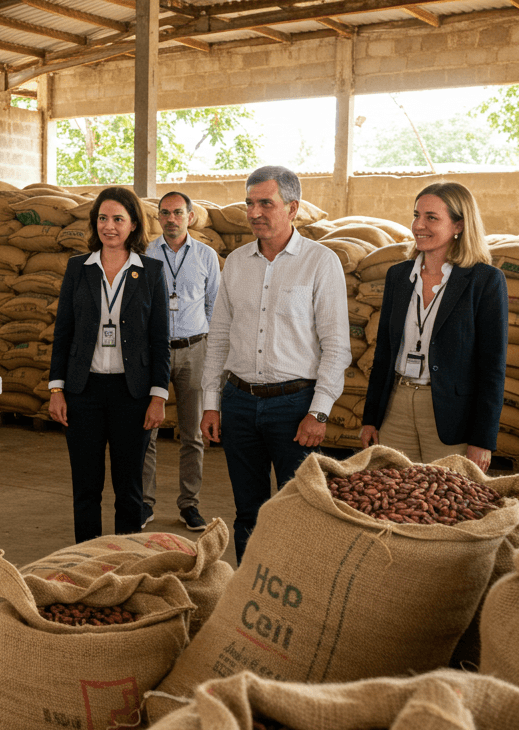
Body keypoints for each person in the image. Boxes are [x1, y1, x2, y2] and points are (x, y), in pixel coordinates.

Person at [200, 166, 350, 563]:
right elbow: (218, 339)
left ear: (293, 208)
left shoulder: (321, 262)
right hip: (239, 402)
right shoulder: (235, 263)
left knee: (297, 511)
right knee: (248, 511)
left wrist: (318, 412)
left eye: (266, 203)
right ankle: (247, 592)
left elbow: (336, 346)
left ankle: (289, 596)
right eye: (249, 203)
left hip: (294, 407)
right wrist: (211, 403)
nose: (254, 213)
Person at [48, 186, 170, 543]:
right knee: (86, 488)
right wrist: (57, 389)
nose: (109, 226)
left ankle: (125, 564)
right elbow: (63, 333)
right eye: (103, 218)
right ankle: (85, 562)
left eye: (118, 218)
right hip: (82, 392)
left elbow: (159, 340)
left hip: (131, 394)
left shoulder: (150, 271)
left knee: (129, 489)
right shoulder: (78, 269)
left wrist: (158, 397)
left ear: (133, 224)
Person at [359, 182, 508, 471]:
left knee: (445, 505)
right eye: (416, 215)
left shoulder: (485, 281)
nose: (418, 225)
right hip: (396, 407)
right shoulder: (398, 276)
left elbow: (492, 368)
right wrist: (371, 419)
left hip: (450, 415)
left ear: (459, 225)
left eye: (431, 217)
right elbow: (384, 353)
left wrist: (483, 439)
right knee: (393, 500)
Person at [142, 191, 221, 532]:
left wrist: (200, 337)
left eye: (177, 213)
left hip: (194, 349)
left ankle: (189, 504)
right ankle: (144, 503)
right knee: (147, 430)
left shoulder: (206, 255)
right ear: (158, 218)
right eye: (165, 213)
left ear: (190, 217)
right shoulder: (145, 254)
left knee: (192, 433)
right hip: (154, 351)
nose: (171, 219)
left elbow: (214, 306)